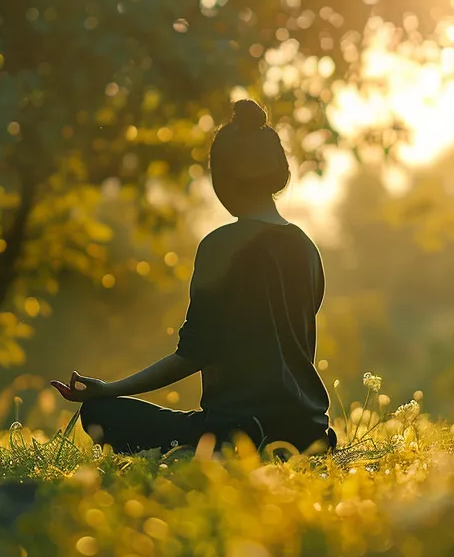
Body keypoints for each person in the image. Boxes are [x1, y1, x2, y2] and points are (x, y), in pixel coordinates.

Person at [49, 99, 335, 455]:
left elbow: (194, 352)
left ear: (221, 178)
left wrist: (110, 389)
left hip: (238, 432)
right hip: (309, 433)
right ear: (281, 173)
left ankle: (202, 452)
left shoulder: (220, 245)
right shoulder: (307, 249)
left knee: (100, 413)